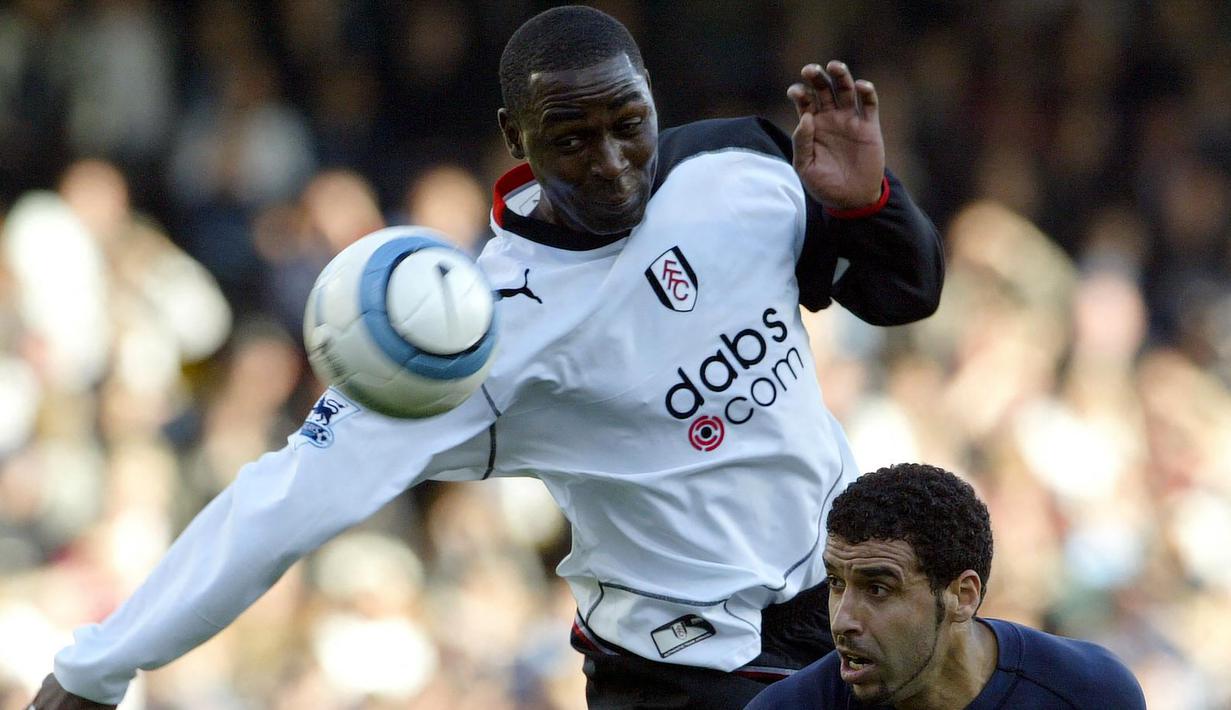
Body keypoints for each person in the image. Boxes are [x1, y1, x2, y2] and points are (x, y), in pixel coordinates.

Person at [29, 6, 943, 709]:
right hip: (688, 671)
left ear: (652, 96)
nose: (614, 162)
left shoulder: (732, 167)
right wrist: (99, 664)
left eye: (628, 122)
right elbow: (278, 507)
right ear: (516, 140)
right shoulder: (472, 330)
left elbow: (902, 294)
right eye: (571, 139)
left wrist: (869, 201)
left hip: (843, 606)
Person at [744, 463, 1146, 709]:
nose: (843, 619)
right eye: (835, 583)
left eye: (878, 589)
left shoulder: (1090, 692)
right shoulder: (788, 706)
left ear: (963, 596)